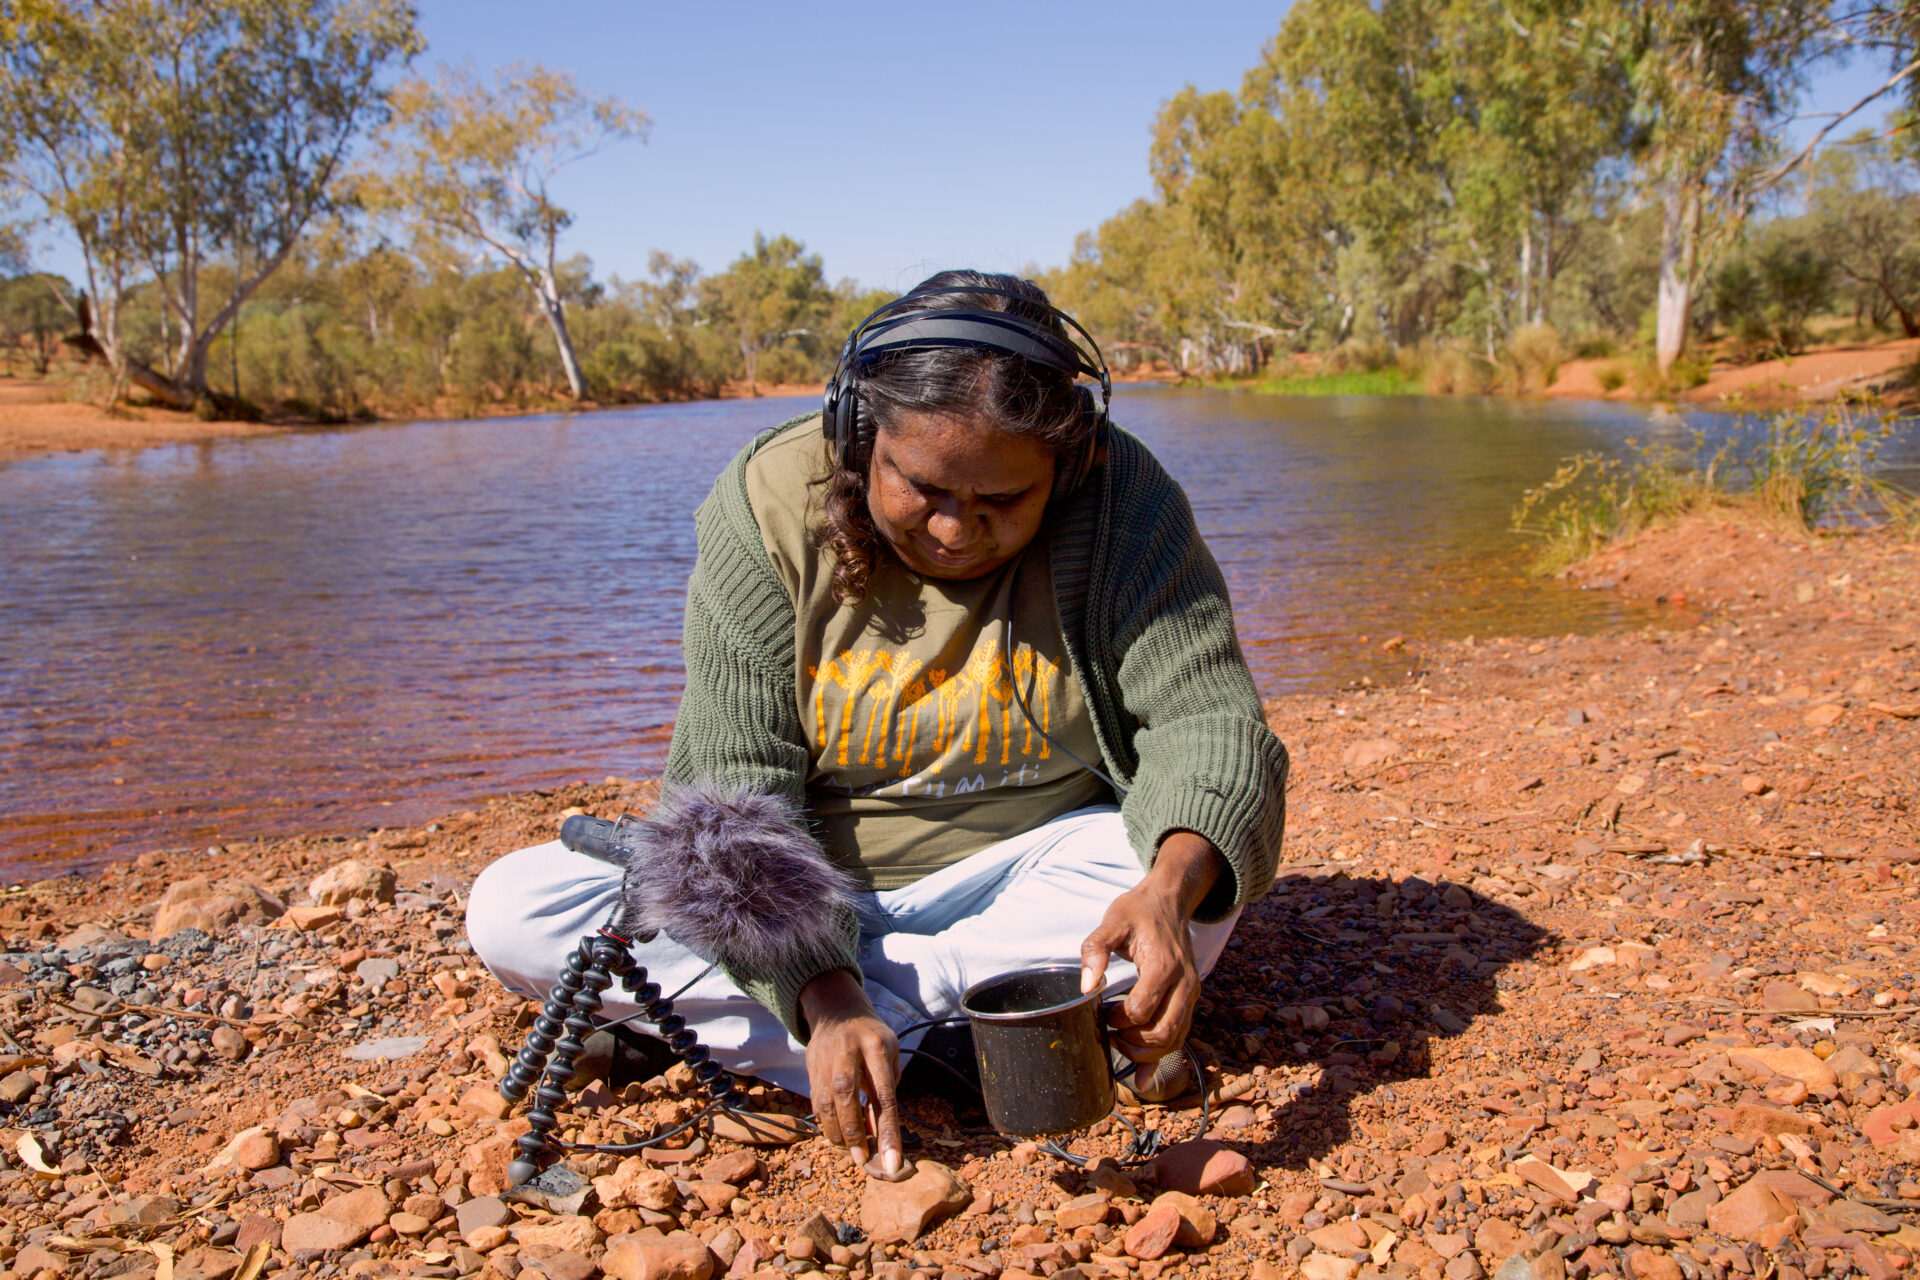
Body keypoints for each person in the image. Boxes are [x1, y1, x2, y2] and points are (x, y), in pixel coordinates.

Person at [466, 270, 1287, 1178]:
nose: (953, 531)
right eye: (921, 486)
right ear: (858, 437)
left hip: (1031, 865)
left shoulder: (1121, 496)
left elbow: (1208, 721)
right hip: (808, 888)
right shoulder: (767, 506)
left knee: (1188, 874)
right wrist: (820, 987)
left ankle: (812, 1042)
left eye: (1003, 502)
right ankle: (997, 1033)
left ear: (1069, 461)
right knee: (517, 909)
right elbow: (734, 795)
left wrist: (1165, 897)